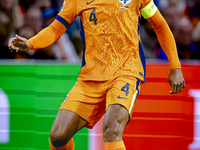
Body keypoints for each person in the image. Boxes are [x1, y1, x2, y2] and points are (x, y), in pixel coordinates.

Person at [8, 0, 185, 149]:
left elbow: (159, 24)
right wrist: (30, 43)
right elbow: (55, 29)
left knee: (112, 128)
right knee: (58, 136)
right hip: (90, 78)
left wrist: (175, 66)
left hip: (126, 72)